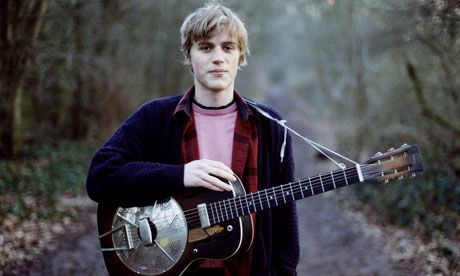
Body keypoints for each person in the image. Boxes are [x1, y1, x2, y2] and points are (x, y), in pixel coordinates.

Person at [86, 3, 299, 276]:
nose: (218, 57)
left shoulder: (270, 126)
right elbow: (100, 176)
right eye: (206, 47)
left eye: (228, 47)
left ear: (241, 56)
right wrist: (180, 175)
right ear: (189, 55)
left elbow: (285, 223)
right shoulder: (156, 116)